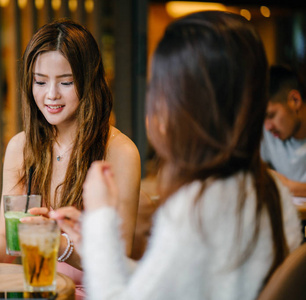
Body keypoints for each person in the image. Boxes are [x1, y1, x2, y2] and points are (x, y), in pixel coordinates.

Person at [51, 11, 302, 300]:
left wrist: (100, 215)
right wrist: (96, 242)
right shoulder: (269, 192)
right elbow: (165, 287)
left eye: (158, 88)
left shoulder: (195, 208)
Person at [0, 19, 141, 299]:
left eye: (66, 82)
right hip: (37, 291)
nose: (51, 95)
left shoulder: (120, 152)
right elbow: (6, 238)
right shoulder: (21, 147)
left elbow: (118, 259)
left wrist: (58, 243)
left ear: (88, 81)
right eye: (40, 82)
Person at [261, 65, 306, 197]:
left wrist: (287, 186)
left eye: (271, 115)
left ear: (295, 100)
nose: (267, 127)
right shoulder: (268, 134)